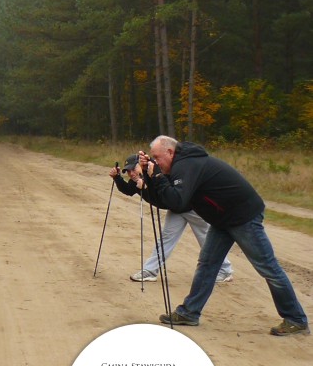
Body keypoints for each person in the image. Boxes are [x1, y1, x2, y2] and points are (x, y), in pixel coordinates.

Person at [140, 135, 308, 335]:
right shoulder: (180, 166)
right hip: (223, 218)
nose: (156, 161)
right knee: (207, 264)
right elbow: (168, 201)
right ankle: (189, 313)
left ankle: (296, 319)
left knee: (268, 267)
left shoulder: (186, 165)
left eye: (157, 157)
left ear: (170, 152)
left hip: (243, 215)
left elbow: (177, 201)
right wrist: (150, 177)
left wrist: (158, 177)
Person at [109, 155, 233, 284]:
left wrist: (145, 188)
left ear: (142, 165)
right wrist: (117, 178)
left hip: (192, 207)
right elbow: (128, 190)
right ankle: (150, 271)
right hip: (176, 210)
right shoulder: (137, 180)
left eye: (133, 169)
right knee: (165, 240)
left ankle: (225, 270)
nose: (131, 173)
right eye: (128, 171)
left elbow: (165, 193)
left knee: (206, 239)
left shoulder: (157, 172)